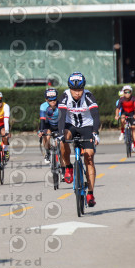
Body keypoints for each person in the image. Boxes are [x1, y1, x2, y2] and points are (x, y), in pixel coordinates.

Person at [58, 72, 100, 207]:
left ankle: (90, 193)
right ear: (70, 89)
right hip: (70, 126)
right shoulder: (65, 96)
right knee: (63, 139)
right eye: (74, 90)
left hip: (87, 127)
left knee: (89, 157)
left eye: (80, 90)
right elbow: (61, 116)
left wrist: (95, 133)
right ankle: (68, 167)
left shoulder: (88, 96)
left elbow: (96, 116)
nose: (77, 93)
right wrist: (60, 134)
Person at [37, 88, 61, 164]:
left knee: (58, 142)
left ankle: (59, 154)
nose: (53, 102)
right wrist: (41, 131)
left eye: (54, 99)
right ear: (46, 100)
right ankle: (47, 152)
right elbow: (42, 120)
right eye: (50, 100)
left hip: (59, 124)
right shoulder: (43, 106)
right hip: (48, 124)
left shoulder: (61, 105)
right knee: (46, 135)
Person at [115, 85, 135, 152]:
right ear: (123, 93)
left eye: (128, 92)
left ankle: (134, 145)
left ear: (131, 92)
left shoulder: (133, 99)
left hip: (132, 112)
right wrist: (117, 115)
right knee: (122, 119)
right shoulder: (121, 99)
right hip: (125, 112)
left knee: (133, 128)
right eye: (125, 92)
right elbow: (117, 108)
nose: (127, 94)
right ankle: (122, 132)